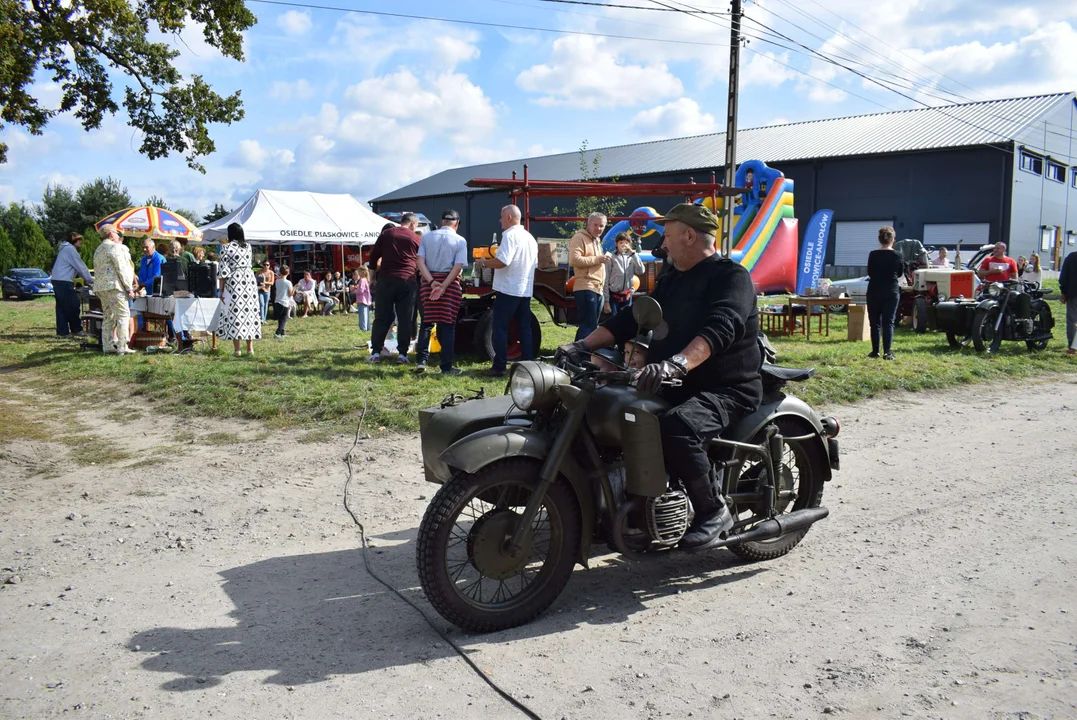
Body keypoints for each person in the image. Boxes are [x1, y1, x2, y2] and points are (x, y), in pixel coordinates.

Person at [557, 203, 761, 550]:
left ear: (689, 236)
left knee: (677, 427)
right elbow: (632, 319)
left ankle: (714, 510)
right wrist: (580, 345)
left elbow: (720, 329)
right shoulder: (674, 277)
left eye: (667, 236)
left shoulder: (731, 277)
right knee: (610, 409)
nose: (663, 244)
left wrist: (676, 363)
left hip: (726, 386)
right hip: (675, 380)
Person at [476, 205, 538, 376]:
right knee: (524, 328)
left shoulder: (509, 235)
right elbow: (535, 264)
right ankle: (528, 365)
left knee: (500, 327)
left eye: (502, 217)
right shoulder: (530, 237)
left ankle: (499, 366)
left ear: (509, 217)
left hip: (508, 289)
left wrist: (484, 263)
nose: (500, 220)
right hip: (524, 289)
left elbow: (503, 261)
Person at [415, 209, 468, 375]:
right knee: (448, 326)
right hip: (449, 284)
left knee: (426, 323)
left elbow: (419, 261)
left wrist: (431, 282)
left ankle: (421, 362)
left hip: (428, 282)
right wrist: (443, 286)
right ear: (457, 223)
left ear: (441, 221)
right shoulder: (460, 240)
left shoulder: (427, 237)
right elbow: (458, 266)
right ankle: (446, 367)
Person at [368, 213, 421, 364]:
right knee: (405, 318)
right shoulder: (416, 238)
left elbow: (373, 256)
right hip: (407, 280)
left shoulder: (387, 234)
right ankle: (402, 355)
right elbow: (422, 260)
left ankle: (376, 353)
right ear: (412, 224)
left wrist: (372, 279)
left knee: (381, 317)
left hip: (386, 280)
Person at [212, 223, 262, 357]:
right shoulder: (248, 247)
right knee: (249, 313)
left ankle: (237, 349)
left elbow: (223, 270)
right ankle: (250, 348)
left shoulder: (226, 247)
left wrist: (221, 290)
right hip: (249, 281)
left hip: (235, 281)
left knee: (236, 314)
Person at [92, 223, 136, 355]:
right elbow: (121, 269)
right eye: (117, 233)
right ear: (112, 234)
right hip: (114, 286)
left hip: (101, 287)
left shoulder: (98, 250)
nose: (118, 236)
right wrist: (129, 287)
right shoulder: (114, 247)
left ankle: (107, 346)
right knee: (123, 315)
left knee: (108, 316)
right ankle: (122, 346)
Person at [866, 226, 905, 361]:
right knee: (888, 322)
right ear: (893, 239)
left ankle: (875, 351)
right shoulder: (898, 255)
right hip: (891, 290)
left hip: (874, 290)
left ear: (879, 239)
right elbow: (900, 273)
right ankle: (887, 352)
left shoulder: (873, 254)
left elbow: (870, 272)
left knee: (874, 322)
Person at [569, 212, 608, 340]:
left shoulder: (596, 240)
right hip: (586, 287)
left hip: (597, 288)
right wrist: (599, 259)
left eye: (601, 226)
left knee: (590, 327)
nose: (598, 228)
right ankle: (580, 356)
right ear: (588, 224)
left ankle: (576, 354)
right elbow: (574, 260)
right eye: (595, 225)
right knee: (588, 327)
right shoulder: (579, 238)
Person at [51, 232, 92, 337]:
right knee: (73, 305)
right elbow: (80, 266)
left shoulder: (64, 249)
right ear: (74, 241)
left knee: (62, 307)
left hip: (57, 280)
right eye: (79, 240)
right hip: (63, 281)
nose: (81, 242)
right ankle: (76, 329)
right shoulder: (70, 250)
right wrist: (90, 279)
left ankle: (62, 332)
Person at [605, 232, 645, 317]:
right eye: (621, 243)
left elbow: (641, 271)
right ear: (616, 244)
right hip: (613, 294)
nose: (624, 245)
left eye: (626, 243)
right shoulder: (611, 257)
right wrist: (606, 300)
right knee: (614, 320)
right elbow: (606, 278)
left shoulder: (631, 257)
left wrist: (633, 254)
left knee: (625, 320)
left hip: (627, 295)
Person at [1059, 250, 1077, 356]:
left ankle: (1072, 347)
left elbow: (1064, 276)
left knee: (1072, 321)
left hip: (1073, 293)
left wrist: (1064, 292)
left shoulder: (1072, 257)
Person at [273, 266, 294, 339]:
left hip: (277, 301)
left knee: (280, 319)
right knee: (284, 319)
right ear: (288, 273)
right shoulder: (288, 282)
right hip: (284, 302)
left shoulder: (277, 281)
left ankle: (282, 332)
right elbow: (290, 294)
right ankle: (278, 332)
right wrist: (295, 287)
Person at [353, 267, 372, 331]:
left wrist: (354, 291)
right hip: (366, 300)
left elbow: (360, 291)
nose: (357, 273)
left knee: (362, 315)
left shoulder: (362, 280)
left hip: (362, 300)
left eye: (358, 271)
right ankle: (368, 327)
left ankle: (363, 328)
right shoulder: (366, 279)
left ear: (362, 272)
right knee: (366, 315)